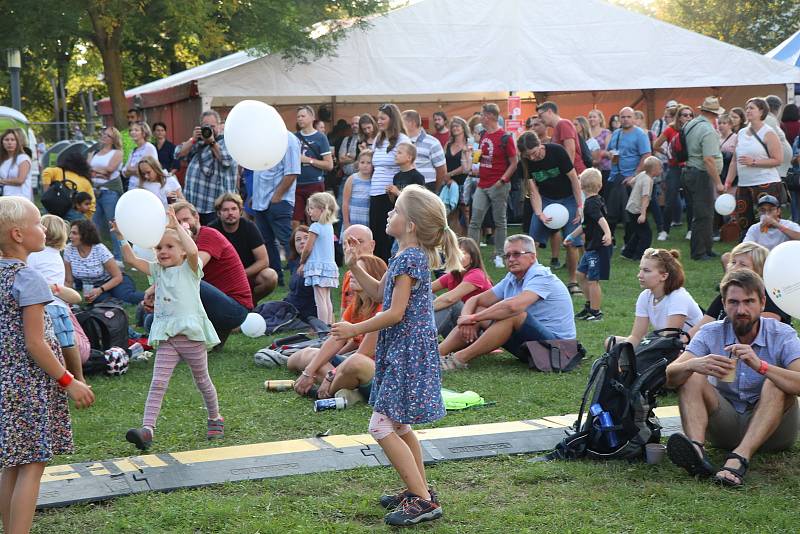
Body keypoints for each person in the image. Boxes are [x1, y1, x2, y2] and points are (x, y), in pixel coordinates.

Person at [331, 185, 461, 526]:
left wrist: (354, 330)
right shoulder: (405, 256)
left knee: (381, 425)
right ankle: (418, 490)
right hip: (403, 351)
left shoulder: (409, 259)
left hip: (407, 354)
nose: (389, 215)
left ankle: (422, 500)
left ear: (411, 225)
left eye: (396, 211)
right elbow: (379, 293)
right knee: (399, 422)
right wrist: (356, 265)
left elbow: (395, 313)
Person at [0, 197, 94, 534]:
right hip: (30, 383)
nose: (44, 228)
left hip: (6, 382)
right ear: (18, 235)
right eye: (38, 223)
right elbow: (35, 343)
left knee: (13, 462)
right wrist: (70, 381)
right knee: (32, 465)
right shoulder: (30, 279)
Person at [665, 269, 800, 487]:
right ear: (724, 304)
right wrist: (693, 364)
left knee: (775, 384)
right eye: (734, 302)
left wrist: (762, 366)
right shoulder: (711, 332)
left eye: (749, 302)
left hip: (774, 432)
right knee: (690, 376)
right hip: (725, 426)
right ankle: (696, 452)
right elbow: (670, 377)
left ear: (762, 302)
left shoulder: (782, 334)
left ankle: (740, 458)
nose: (741, 309)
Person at [116, 208, 223, 451]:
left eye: (169, 247)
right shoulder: (157, 271)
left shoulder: (191, 269)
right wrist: (121, 236)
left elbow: (194, 250)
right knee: (158, 383)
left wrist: (176, 226)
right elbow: (132, 260)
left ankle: (215, 417)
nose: (163, 252)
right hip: (167, 337)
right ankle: (147, 429)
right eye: (159, 248)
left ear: (182, 250)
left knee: (202, 380)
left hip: (191, 336)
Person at [439, 234, 576, 370]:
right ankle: (435, 354)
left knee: (513, 314)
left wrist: (473, 317)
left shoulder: (541, 276)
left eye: (516, 254)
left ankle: (458, 359)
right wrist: (467, 319)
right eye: (507, 255)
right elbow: (475, 300)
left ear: (533, 257)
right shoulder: (512, 277)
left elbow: (513, 307)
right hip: (534, 349)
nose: (511, 259)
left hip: (561, 353)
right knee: (480, 309)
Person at [289, 254, 386, 404]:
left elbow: (361, 355)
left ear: (373, 277)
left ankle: (329, 391)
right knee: (305, 356)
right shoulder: (355, 305)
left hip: (373, 370)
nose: (351, 274)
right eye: (352, 270)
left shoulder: (383, 309)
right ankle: (348, 392)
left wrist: (330, 374)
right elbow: (336, 338)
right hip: (351, 366)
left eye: (359, 271)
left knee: (354, 363)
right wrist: (309, 371)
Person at [172, 200, 252, 346]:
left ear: (196, 217)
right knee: (149, 319)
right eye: (177, 222)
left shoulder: (208, 234)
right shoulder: (179, 244)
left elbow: (195, 268)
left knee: (187, 281)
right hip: (215, 303)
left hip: (234, 308)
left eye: (186, 219)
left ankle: (206, 333)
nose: (183, 225)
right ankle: (212, 335)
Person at [517, 131, 583, 295]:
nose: (532, 158)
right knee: (532, 243)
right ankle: (531, 280)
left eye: (534, 153)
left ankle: (573, 282)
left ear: (540, 144)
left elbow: (574, 179)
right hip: (546, 200)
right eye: (527, 155)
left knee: (571, 241)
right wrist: (539, 213)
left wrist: (580, 205)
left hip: (568, 199)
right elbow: (534, 191)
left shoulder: (557, 152)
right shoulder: (525, 163)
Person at [26, 214, 87, 382]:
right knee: (68, 343)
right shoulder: (56, 256)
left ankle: (58, 379)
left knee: (51, 346)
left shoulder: (35, 255)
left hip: (45, 306)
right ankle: (80, 378)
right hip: (61, 306)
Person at [607, 248, 702, 349]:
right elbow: (636, 336)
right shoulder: (645, 296)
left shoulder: (678, 297)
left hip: (688, 349)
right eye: (640, 269)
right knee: (611, 342)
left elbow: (669, 340)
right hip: (663, 342)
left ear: (664, 276)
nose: (639, 275)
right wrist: (624, 354)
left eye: (646, 271)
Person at [690, 242, 790, 338]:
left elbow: (761, 334)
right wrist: (683, 342)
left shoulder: (771, 297)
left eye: (743, 265)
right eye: (733, 262)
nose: (734, 268)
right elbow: (701, 327)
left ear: (758, 270)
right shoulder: (729, 294)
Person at [724, 98, 784, 237]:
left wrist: (754, 162)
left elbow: (778, 160)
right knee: (744, 222)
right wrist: (728, 182)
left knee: (767, 222)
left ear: (761, 111)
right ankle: (748, 251)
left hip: (765, 183)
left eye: (752, 108)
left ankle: (769, 252)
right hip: (744, 185)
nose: (748, 110)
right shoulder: (741, 133)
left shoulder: (768, 133)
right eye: (747, 107)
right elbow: (734, 161)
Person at [469, 103, 518, 269]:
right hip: (482, 183)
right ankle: (471, 254)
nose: (480, 118)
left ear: (489, 116)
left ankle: (499, 254)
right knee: (475, 220)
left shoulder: (506, 137)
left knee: (500, 221)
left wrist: (503, 180)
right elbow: (483, 156)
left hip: (498, 184)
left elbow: (514, 163)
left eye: (482, 115)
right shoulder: (483, 135)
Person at [252, 131, 301, 286]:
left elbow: (292, 172)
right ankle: (276, 278)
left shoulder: (289, 140)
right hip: (260, 202)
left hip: (279, 201)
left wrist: (277, 196)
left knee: (287, 241)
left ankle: (297, 278)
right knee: (266, 242)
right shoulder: (262, 137)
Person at [209, 192, 278, 303]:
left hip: (246, 274)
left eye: (233, 209)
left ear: (240, 211)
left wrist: (240, 275)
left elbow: (264, 261)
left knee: (270, 276)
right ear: (218, 213)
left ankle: (250, 303)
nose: (230, 213)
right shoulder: (212, 230)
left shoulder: (249, 227)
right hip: (222, 278)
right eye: (225, 210)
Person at [565, 168, 613, 321]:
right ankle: (589, 304)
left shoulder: (592, 204)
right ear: (599, 186)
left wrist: (607, 233)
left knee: (593, 280)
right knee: (580, 274)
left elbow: (601, 220)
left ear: (580, 185)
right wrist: (571, 236)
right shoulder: (594, 200)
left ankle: (596, 312)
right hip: (592, 247)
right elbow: (586, 224)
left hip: (598, 248)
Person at [176, 110, 237, 225]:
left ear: (219, 126)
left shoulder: (227, 141)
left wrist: (212, 142)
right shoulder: (198, 141)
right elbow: (178, 154)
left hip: (215, 206)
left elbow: (227, 160)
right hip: (194, 204)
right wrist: (193, 140)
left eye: (212, 126)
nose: (209, 129)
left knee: (214, 238)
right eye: (205, 126)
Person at [63, 219, 144, 305]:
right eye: (71, 232)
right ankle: (115, 301)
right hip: (93, 286)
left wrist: (100, 290)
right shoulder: (69, 250)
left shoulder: (99, 249)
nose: (70, 236)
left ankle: (153, 297)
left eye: (74, 233)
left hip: (114, 281)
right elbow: (69, 281)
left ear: (85, 235)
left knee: (127, 297)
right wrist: (66, 299)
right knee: (99, 301)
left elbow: (118, 277)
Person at [683, 97, 725, 260]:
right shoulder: (708, 130)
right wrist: (718, 183)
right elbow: (708, 159)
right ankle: (699, 252)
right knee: (703, 215)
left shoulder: (691, 124)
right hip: (701, 174)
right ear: (715, 114)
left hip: (690, 171)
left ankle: (707, 248)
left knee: (705, 214)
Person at [369, 103, 410, 262]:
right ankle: (378, 270)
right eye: (377, 118)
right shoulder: (378, 139)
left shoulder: (402, 139)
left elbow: (407, 163)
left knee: (388, 235)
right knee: (376, 233)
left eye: (382, 118)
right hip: (374, 192)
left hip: (390, 194)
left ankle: (390, 269)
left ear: (392, 119)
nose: (378, 121)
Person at [604, 107, 652, 238]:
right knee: (613, 209)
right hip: (615, 176)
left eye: (628, 117)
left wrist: (634, 176)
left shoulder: (640, 134)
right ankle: (611, 237)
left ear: (634, 118)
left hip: (631, 178)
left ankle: (629, 240)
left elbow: (646, 156)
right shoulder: (616, 133)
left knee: (629, 211)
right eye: (623, 117)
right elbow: (610, 151)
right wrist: (610, 155)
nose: (625, 120)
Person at [432, 237, 493, 337]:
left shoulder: (477, 274)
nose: (457, 256)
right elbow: (425, 290)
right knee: (428, 296)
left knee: (452, 303)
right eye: (455, 252)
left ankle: (420, 341)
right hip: (459, 326)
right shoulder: (453, 275)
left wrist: (422, 309)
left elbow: (449, 299)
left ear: (473, 258)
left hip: (476, 330)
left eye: (463, 253)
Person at [652, 104, 693, 238]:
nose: (688, 117)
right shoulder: (670, 129)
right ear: (679, 117)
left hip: (689, 167)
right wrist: (668, 152)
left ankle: (690, 230)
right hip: (674, 167)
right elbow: (656, 145)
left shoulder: (694, 130)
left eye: (690, 115)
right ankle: (664, 231)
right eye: (684, 115)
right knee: (669, 199)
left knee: (690, 200)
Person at [298, 192, 339, 325]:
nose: (309, 211)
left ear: (321, 209)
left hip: (318, 267)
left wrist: (302, 261)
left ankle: (322, 328)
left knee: (320, 299)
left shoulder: (315, 227)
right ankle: (328, 325)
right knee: (326, 298)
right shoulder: (329, 226)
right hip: (329, 266)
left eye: (311, 208)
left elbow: (308, 248)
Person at [89, 126, 124, 260]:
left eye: (107, 135)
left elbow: (109, 169)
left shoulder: (117, 153)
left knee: (113, 226)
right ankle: (96, 256)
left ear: (113, 139)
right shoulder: (96, 152)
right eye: (103, 134)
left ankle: (119, 257)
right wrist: (100, 171)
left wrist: (96, 170)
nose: (103, 136)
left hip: (109, 192)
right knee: (94, 225)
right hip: (94, 191)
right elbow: (87, 168)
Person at [294, 106, 334, 226]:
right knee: (295, 220)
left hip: (314, 183)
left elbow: (329, 165)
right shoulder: (294, 137)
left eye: (303, 116)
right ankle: (298, 243)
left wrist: (308, 160)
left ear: (312, 118)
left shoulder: (320, 137)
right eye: (298, 117)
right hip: (296, 184)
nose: (300, 119)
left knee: (315, 219)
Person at [621, 156, 662, 261]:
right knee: (646, 234)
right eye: (660, 168)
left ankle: (627, 252)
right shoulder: (648, 180)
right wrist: (643, 214)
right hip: (637, 210)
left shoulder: (642, 174)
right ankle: (640, 256)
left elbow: (631, 182)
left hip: (631, 207)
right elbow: (645, 197)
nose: (661, 170)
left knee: (638, 232)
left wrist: (630, 185)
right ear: (654, 170)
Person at [41, 151, 96, 221]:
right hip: (73, 212)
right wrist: (87, 217)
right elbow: (92, 203)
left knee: (49, 229)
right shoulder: (85, 181)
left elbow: (47, 172)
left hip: (51, 207)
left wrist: (46, 192)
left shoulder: (59, 171)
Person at [401, 110, 447, 191]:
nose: (399, 126)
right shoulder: (400, 142)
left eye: (402, 122)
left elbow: (442, 170)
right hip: (404, 188)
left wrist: (434, 191)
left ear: (412, 123)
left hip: (426, 187)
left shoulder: (432, 142)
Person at [536, 101, 586, 174]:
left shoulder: (563, 123)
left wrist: (568, 173)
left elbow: (571, 150)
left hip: (576, 172)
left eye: (540, 115)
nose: (540, 119)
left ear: (549, 111)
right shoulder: (557, 128)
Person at [443, 116, 471, 235]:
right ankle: (455, 237)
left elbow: (466, 167)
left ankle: (470, 237)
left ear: (463, 128)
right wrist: (445, 175)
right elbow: (443, 161)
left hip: (464, 181)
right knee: (451, 211)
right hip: (449, 182)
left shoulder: (469, 144)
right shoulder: (448, 144)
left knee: (466, 211)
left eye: (457, 126)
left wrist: (450, 174)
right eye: (453, 126)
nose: (455, 128)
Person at [341, 150, 373, 234]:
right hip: (353, 218)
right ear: (358, 163)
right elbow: (345, 203)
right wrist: (346, 223)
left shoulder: (374, 180)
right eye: (362, 162)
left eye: (368, 163)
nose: (365, 165)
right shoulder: (352, 179)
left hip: (367, 218)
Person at [121, 122, 158, 186]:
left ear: (144, 133)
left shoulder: (149, 147)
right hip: (132, 186)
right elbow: (124, 172)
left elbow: (150, 170)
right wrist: (135, 169)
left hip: (146, 187)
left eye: (136, 130)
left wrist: (131, 170)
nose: (132, 132)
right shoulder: (133, 150)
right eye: (131, 130)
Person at [0, 129, 32, 199]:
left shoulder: (23, 158)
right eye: (6, 140)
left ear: (18, 142)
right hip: (6, 197)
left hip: (21, 199)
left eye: (13, 140)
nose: (9, 142)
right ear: (2, 142)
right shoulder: (3, 160)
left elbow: (20, 180)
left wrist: (2, 181)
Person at [588, 109, 612, 182]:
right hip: (590, 167)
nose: (591, 119)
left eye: (594, 117)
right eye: (590, 117)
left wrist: (595, 153)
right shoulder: (586, 132)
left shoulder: (606, 132)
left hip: (604, 167)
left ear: (600, 119)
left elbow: (607, 151)